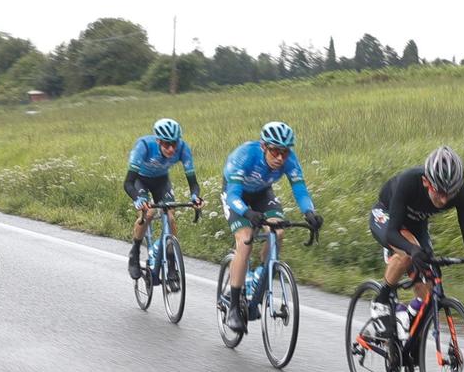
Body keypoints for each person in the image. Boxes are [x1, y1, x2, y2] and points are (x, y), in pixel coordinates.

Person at [367, 146, 464, 344]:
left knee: (429, 285)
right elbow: (393, 233)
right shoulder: (409, 182)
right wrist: (413, 250)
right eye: (439, 192)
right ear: (426, 181)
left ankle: (408, 317)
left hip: (417, 224)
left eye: (450, 193)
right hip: (386, 217)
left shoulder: (462, 194)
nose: (444, 199)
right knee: (408, 253)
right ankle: (381, 301)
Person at [218, 122, 320, 333]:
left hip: (263, 194)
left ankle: (262, 273)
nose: (280, 158)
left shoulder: (289, 161)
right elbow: (233, 196)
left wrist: (309, 212)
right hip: (236, 196)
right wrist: (247, 213)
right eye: (275, 151)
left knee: (278, 231)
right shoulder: (245, 155)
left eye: (285, 152)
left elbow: (300, 190)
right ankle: (235, 308)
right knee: (245, 240)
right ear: (264, 146)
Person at [125, 118, 203, 279]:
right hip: (140, 180)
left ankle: (172, 265)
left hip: (161, 181)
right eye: (167, 144)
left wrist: (195, 196)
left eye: (174, 144)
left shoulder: (183, 149)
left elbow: (193, 183)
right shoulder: (144, 146)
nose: (171, 149)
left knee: (170, 217)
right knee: (148, 214)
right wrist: (137, 199)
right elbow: (128, 183)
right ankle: (135, 252)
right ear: (158, 140)